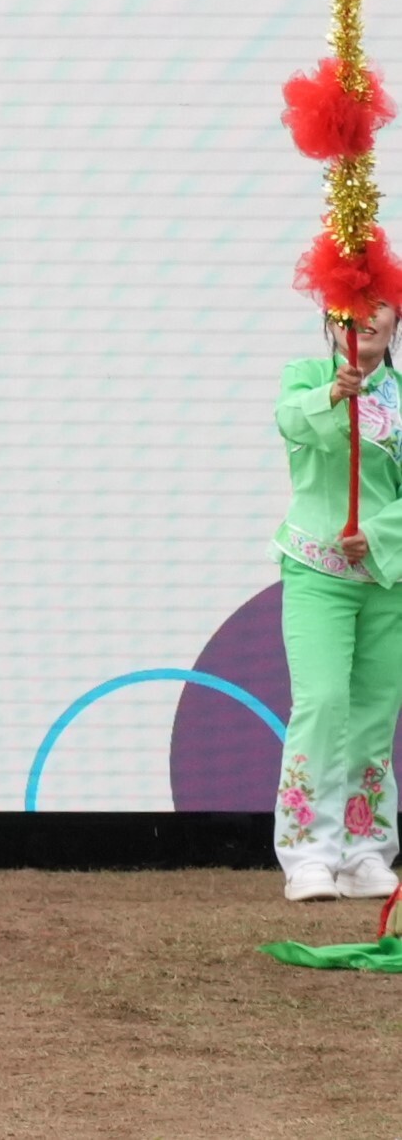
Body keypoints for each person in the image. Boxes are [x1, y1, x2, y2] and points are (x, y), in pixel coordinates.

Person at [271, 302, 402, 903]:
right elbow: (293, 422)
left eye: (383, 307)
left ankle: (365, 848)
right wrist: (334, 392)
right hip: (315, 570)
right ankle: (308, 855)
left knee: (374, 713)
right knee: (323, 703)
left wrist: (376, 535)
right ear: (334, 317)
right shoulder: (305, 376)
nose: (368, 320)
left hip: (385, 574)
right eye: (356, 307)